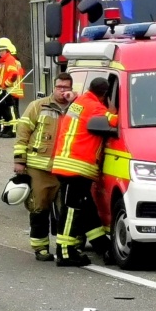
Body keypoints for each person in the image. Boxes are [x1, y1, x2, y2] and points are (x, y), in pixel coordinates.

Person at [50, 77, 117, 266]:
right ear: (104, 95)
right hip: (76, 166)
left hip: (66, 163)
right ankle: (64, 253)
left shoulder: (80, 101)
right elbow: (116, 121)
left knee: (87, 209)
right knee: (72, 210)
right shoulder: (95, 108)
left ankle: (102, 246)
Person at [15, 72, 74, 261]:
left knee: (65, 209)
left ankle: (64, 247)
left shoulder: (76, 108)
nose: (63, 91)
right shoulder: (38, 106)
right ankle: (40, 247)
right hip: (39, 168)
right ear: (53, 88)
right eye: (60, 87)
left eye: (66, 87)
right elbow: (23, 132)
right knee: (39, 207)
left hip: (65, 168)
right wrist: (19, 160)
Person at [0, 38, 22, 138]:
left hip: (9, 90)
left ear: (7, 50)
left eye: (2, 50)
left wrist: (6, 84)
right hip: (4, 90)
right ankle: (6, 128)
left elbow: (14, 74)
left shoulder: (9, 60)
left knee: (11, 111)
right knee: (5, 111)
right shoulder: (2, 61)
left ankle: (13, 130)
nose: (0, 52)